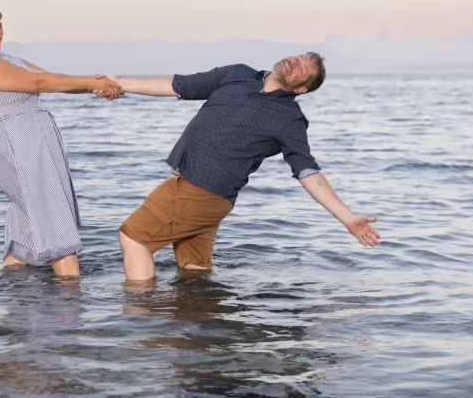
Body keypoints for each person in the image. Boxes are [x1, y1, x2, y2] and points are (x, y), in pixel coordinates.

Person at [104, 53, 381, 281]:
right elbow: (179, 85)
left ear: (301, 89)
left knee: (135, 239)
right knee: (194, 270)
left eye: (303, 69)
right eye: (299, 57)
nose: (295, 62)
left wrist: (347, 217)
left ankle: (139, 319)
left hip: (199, 191)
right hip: (211, 200)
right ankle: (198, 321)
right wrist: (121, 84)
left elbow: (307, 171)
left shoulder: (289, 119)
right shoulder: (236, 74)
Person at [0, 0, 122, 277]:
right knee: (53, 217)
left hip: (36, 141)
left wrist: (96, 88)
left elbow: (52, 78)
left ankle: (16, 289)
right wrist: (95, 83)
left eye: (0, 27)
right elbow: (39, 83)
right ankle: (71, 297)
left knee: (30, 222)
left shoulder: (8, 60)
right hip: (19, 144)